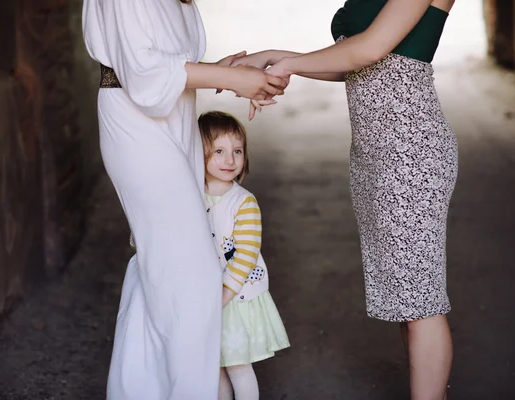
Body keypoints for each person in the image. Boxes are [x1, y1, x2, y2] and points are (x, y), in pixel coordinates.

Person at [233, 1, 457, 398]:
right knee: (407, 300)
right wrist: (274, 56)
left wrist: (287, 66)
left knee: (420, 300)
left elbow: (369, 49)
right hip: (375, 155)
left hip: (410, 152)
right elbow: (352, 63)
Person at [81, 1, 287, 399]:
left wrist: (232, 73)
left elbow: (170, 66)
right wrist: (229, 77)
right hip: (136, 125)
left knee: (161, 272)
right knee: (191, 281)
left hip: (176, 119)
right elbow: (143, 73)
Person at [199, 111, 290, 400]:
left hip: (235, 298)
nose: (230, 160)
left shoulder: (244, 203)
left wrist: (223, 295)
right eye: (219, 151)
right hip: (205, 295)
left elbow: (246, 255)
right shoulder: (191, 195)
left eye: (237, 151)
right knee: (214, 367)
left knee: (237, 366)